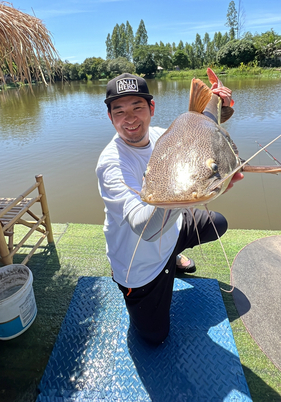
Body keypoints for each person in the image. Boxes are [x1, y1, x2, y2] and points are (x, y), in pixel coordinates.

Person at [96, 72, 243, 345]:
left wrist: (222, 108)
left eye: (137, 107)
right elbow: (144, 229)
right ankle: (161, 272)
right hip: (138, 265)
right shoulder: (112, 164)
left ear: (151, 108)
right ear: (110, 117)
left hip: (171, 231)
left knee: (217, 222)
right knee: (154, 337)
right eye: (119, 111)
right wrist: (184, 193)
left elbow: (201, 131)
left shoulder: (160, 135)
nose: (129, 118)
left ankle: (173, 255)